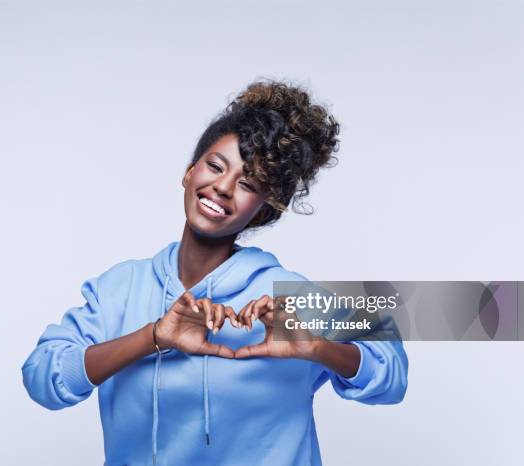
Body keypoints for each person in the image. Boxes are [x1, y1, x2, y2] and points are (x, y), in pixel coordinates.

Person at [21, 79, 408, 466]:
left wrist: (317, 348)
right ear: (189, 173)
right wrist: (153, 337)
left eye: (247, 184)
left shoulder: (284, 295)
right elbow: (44, 379)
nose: (222, 187)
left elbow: (390, 375)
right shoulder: (119, 288)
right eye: (215, 166)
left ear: (263, 210)